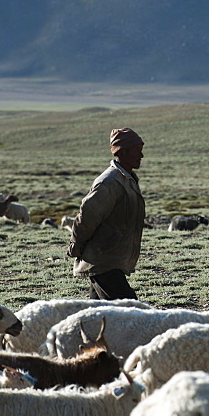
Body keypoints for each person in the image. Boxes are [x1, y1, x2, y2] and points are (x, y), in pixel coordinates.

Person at [67, 127, 146, 299]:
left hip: (109, 259)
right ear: (123, 152)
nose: (141, 156)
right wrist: (76, 244)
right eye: (137, 151)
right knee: (129, 310)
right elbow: (87, 217)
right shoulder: (109, 182)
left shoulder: (126, 179)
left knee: (99, 314)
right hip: (103, 260)